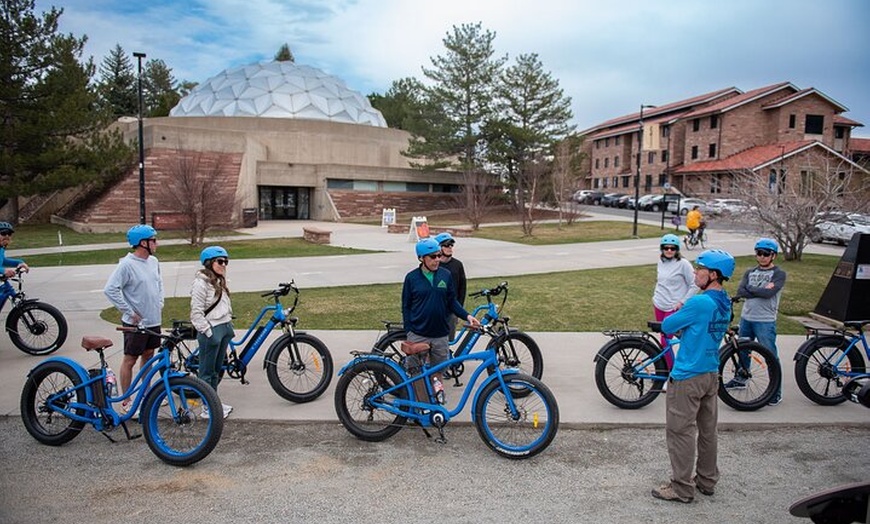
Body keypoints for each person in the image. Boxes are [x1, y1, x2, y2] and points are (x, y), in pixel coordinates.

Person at [652, 249, 734, 504]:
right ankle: (707, 481)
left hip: (688, 375)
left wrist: (683, 324)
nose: (696, 272)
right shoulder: (725, 302)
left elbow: (667, 325)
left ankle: (681, 487)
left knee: (680, 431)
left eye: (700, 269)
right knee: (708, 430)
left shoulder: (700, 302)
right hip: (711, 372)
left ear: (713, 274)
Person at [402, 238, 480, 402]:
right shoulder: (411, 278)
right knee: (417, 373)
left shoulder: (446, 275)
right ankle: (420, 408)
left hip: (440, 334)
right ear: (422, 258)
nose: (437, 260)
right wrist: (409, 331)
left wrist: (467, 316)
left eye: (438, 256)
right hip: (418, 333)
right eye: (433, 257)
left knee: (437, 371)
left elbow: (452, 301)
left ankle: (437, 403)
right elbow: (406, 306)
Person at [103, 225, 164, 416]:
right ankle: (126, 401)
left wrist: (160, 302)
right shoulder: (126, 265)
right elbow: (110, 289)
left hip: (153, 320)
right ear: (142, 243)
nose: (156, 243)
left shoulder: (153, 261)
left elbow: (158, 284)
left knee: (149, 356)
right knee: (130, 359)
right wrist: (129, 312)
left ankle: (147, 395)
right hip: (135, 324)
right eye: (153, 240)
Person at [729, 238, 787, 405]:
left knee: (770, 355)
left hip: (765, 321)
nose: (761, 257)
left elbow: (769, 293)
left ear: (773, 256)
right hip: (747, 318)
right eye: (759, 253)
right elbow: (741, 291)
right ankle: (741, 378)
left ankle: (775, 391)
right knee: (742, 351)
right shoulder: (750, 272)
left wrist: (751, 290)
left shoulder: (778, 274)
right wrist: (759, 290)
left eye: (765, 254)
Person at [190, 246, 234, 419]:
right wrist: (207, 331)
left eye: (226, 262)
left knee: (216, 370)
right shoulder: (201, 283)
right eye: (220, 261)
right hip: (211, 330)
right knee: (206, 372)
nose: (224, 265)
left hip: (224, 328)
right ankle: (207, 408)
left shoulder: (219, 281)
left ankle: (213, 402)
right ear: (209, 263)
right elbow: (196, 312)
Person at [652, 234, 697, 368]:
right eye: (666, 248)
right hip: (659, 304)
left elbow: (695, 284)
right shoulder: (660, 262)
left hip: (674, 307)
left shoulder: (683, 264)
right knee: (666, 338)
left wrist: (683, 301)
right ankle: (667, 367)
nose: (669, 251)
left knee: (665, 341)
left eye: (673, 248)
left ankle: (671, 373)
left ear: (677, 249)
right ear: (662, 249)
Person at [434, 232, 467, 340]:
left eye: (451, 245)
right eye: (446, 245)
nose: (449, 248)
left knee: (449, 340)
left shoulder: (457, 265)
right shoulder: (434, 265)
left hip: (452, 309)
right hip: (436, 309)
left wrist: (459, 309)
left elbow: (462, 288)